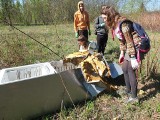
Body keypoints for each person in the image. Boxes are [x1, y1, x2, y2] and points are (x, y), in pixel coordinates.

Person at [102, 6, 142, 103]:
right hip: (129, 47)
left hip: (136, 46)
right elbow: (122, 41)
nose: (103, 20)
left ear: (110, 15)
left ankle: (134, 97)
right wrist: (122, 53)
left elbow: (129, 41)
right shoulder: (115, 25)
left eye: (104, 18)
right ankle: (128, 90)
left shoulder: (123, 24)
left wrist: (132, 58)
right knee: (124, 68)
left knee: (130, 69)